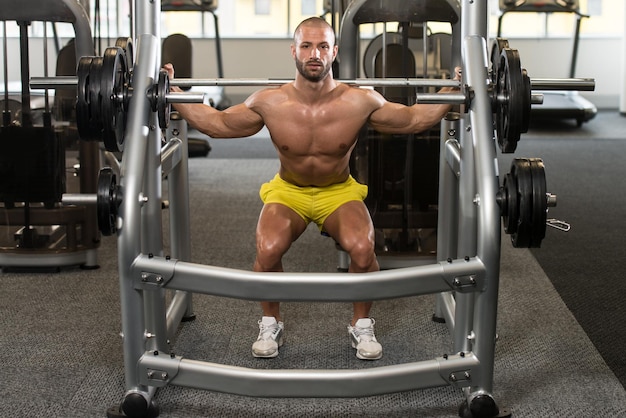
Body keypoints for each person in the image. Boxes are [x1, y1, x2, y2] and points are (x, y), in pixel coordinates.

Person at [163, 16, 460, 361]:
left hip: (339, 191)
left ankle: (361, 325)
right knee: (268, 246)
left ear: (334, 52)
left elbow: (412, 120)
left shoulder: (359, 101)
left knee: (363, 248)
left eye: (322, 46)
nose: (314, 53)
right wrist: (173, 92)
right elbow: (216, 124)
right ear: (294, 51)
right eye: (306, 46)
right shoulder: (270, 102)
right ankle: (270, 321)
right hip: (289, 191)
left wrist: (451, 91)